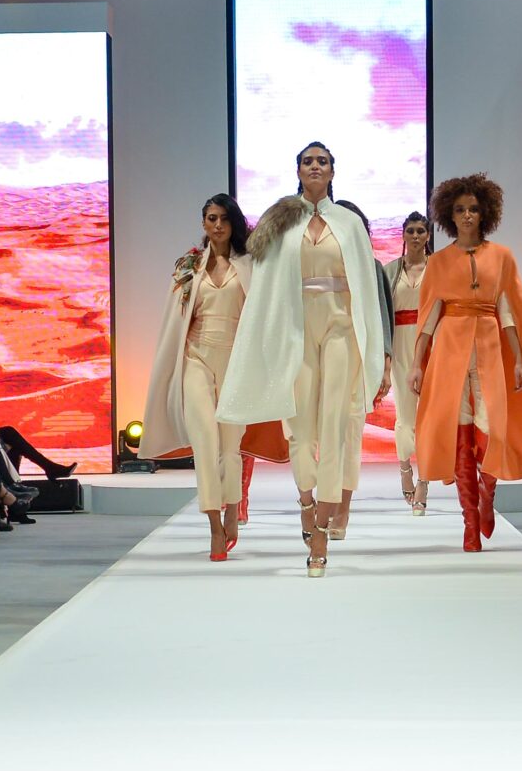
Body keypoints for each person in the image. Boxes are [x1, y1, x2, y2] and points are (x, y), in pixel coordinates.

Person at [219, 141, 387, 576]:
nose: (316, 167)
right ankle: (307, 499)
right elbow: (267, 289)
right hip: (296, 329)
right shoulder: (283, 222)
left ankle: (321, 531)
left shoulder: (349, 224)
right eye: (309, 161)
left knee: (334, 421)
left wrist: (377, 348)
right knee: (299, 427)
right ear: (298, 170)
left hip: (340, 329)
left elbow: (367, 293)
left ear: (333, 171)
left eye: (323, 161)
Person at [411, 172, 522, 553]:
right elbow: (428, 317)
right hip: (449, 348)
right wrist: (416, 364)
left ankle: (487, 497)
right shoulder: (439, 262)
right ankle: (469, 522)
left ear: (485, 213)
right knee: (458, 431)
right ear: (448, 215)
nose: (467, 216)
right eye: (459, 210)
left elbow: (509, 311)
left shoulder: (502, 257)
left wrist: (521, 360)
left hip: (491, 345)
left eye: (474, 209)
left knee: (490, 429)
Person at [141, 193, 254, 561]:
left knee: (230, 447)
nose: (217, 225)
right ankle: (215, 528)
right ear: (203, 223)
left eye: (223, 218)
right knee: (205, 442)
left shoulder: (251, 265)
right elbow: (175, 320)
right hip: (197, 358)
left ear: (233, 222)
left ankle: (233, 509)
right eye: (210, 218)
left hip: (237, 361)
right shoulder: (189, 266)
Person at [385, 212, 432, 515]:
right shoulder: (390, 271)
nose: (415, 236)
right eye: (411, 231)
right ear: (403, 234)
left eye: (421, 231)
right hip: (401, 344)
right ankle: (405, 469)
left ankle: (425, 481)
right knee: (405, 414)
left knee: (429, 417)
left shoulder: (437, 268)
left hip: (431, 343)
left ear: (428, 236)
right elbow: (383, 313)